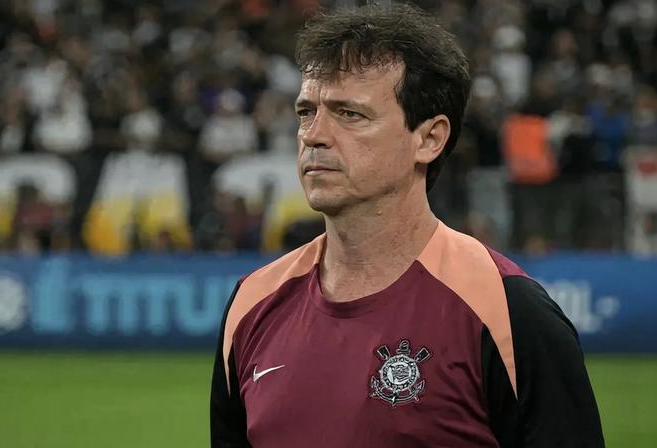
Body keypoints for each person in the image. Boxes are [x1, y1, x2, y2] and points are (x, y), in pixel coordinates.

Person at [210, 4, 604, 447]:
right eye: (306, 111)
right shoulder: (251, 304)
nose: (314, 134)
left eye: (349, 114)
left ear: (429, 139)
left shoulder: (508, 311)